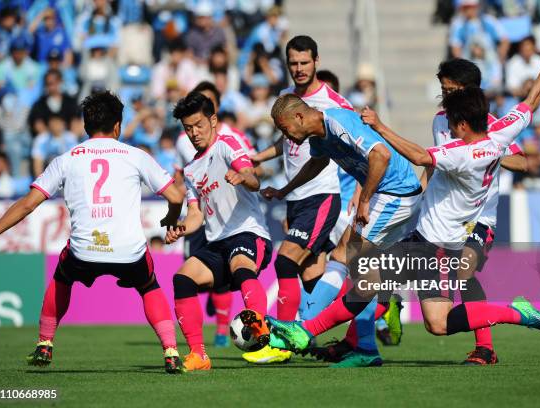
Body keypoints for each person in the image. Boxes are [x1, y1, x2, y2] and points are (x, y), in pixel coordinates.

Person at [265, 38, 540, 358]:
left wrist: (380, 126)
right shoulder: (499, 133)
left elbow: (421, 156)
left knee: (368, 281)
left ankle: (308, 331)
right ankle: (519, 314)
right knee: (435, 322)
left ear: (462, 122)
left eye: (451, 109)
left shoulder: (461, 154)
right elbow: (530, 103)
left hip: (442, 237)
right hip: (432, 233)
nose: (445, 116)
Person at [0, 91, 186, 374]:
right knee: (149, 284)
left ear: (85, 125)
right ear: (118, 125)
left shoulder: (66, 159)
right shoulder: (136, 156)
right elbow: (176, 197)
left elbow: (28, 204)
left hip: (84, 251)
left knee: (62, 276)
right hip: (129, 252)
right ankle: (171, 351)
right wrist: (171, 219)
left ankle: (45, 344)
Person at [263, 92, 423, 366]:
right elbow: (317, 162)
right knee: (342, 259)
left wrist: (364, 199)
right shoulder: (319, 137)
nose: (285, 136)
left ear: (299, 117)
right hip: (392, 195)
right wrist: (284, 190)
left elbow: (381, 155)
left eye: (284, 128)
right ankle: (362, 341)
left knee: (357, 268)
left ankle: (308, 329)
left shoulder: (337, 122)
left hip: (395, 194)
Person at [244, 35, 352, 365]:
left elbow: (356, 140)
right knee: (310, 278)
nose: (299, 68)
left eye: (305, 62)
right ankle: (373, 308)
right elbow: (286, 143)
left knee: (285, 261)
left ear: (316, 61)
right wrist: (258, 158)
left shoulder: (333, 102)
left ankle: (282, 342)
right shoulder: (288, 100)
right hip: (297, 198)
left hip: (321, 195)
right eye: (293, 63)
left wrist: (362, 188)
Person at [429, 58, 527, 365]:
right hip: (445, 218)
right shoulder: (438, 120)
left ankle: (485, 347)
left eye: (450, 89)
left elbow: (521, 162)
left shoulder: (491, 125)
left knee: (464, 272)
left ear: (468, 90)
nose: (444, 95)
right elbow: (436, 164)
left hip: (480, 217)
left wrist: (485, 153)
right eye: (442, 89)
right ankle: (369, 332)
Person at [164, 92, 272, 371]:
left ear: (213, 120)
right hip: (217, 242)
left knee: (240, 265)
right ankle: (199, 355)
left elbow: (253, 178)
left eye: (198, 124)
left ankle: (262, 338)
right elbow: (196, 214)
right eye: (188, 128)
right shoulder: (190, 170)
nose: (194, 132)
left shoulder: (227, 144)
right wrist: (180, 228)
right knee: (182, 279)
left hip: (250, 234)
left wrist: (243, 176)